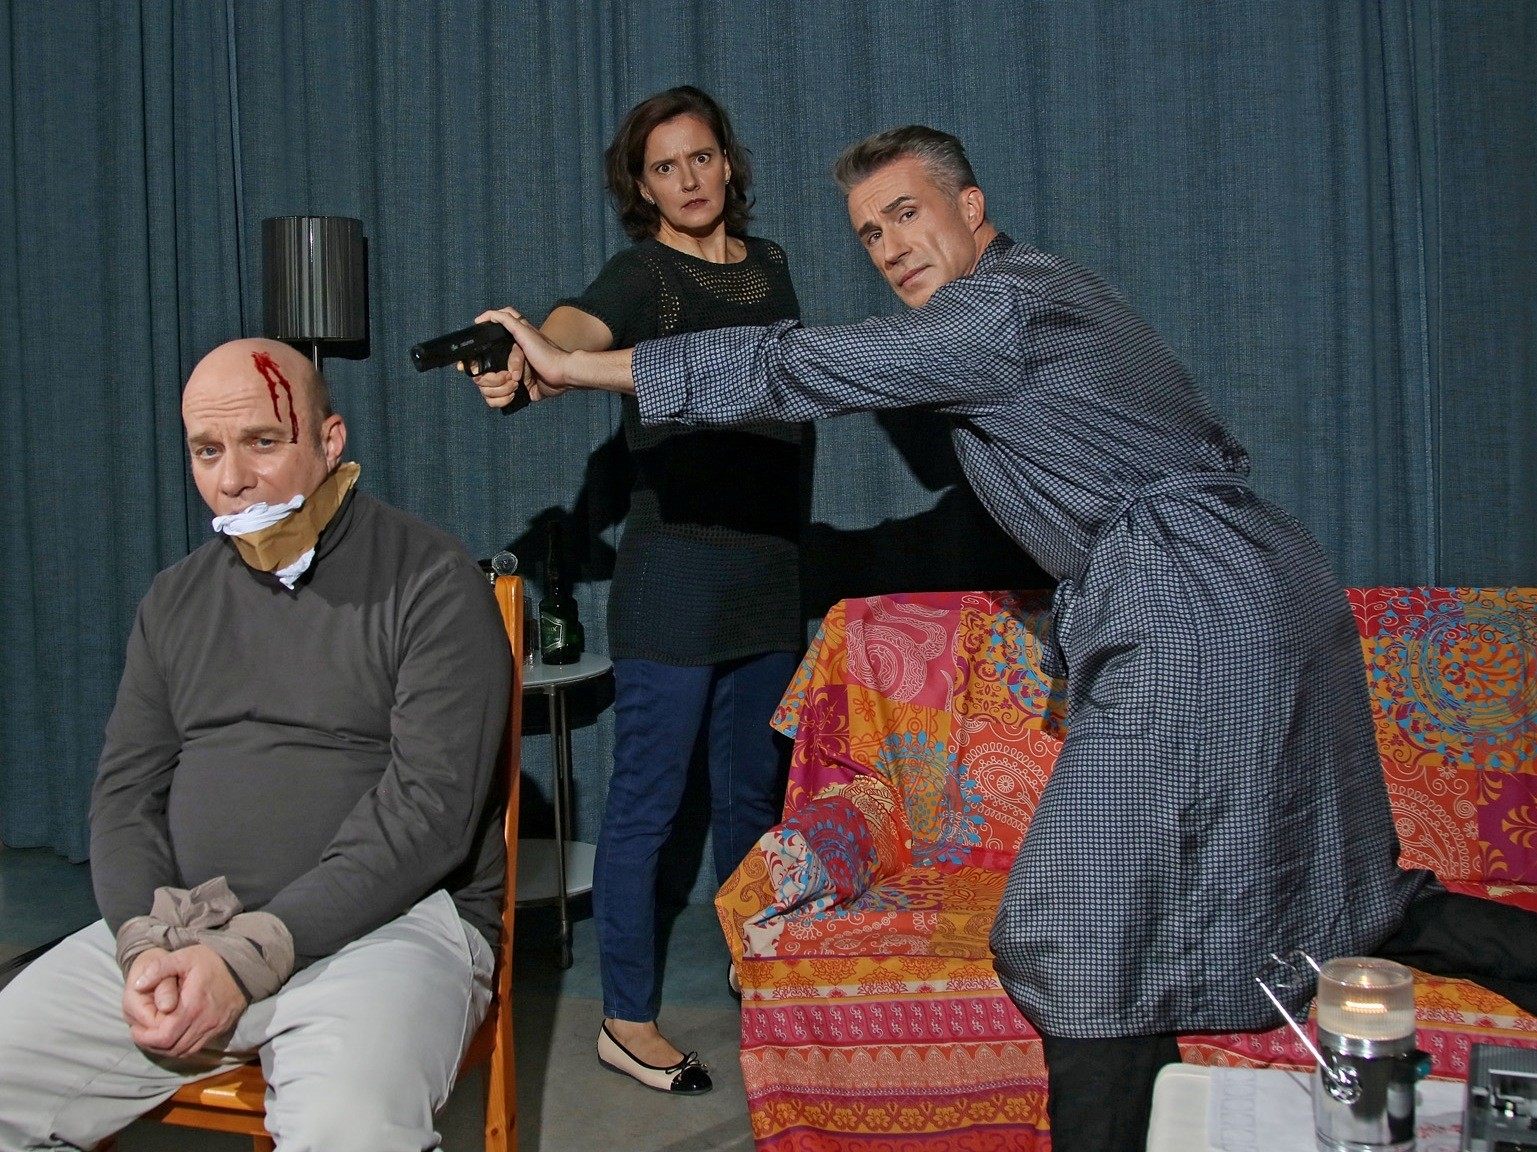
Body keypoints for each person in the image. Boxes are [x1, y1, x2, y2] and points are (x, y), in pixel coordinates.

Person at [477, 125, 1537, 1150]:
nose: (889, 247)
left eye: (906, 214)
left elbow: (793, 364)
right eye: (869, 233)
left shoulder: (996, 310)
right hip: (1260, 587)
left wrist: (577, 369)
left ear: (970, 206)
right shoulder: (1044, 290)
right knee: (1344, 895)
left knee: (1077, 927)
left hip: (1194, 606)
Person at [0, 338, 510, 1152]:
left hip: (385, 931)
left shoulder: (430, 580)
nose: (232, 478)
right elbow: (125, 797)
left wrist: (249, 956)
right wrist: (142, 944)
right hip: (186, 926)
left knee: (349, 1129)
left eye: (263, 442)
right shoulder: (176, 599)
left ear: (330, 441)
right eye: (207, 451)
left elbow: (429, 815)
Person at [472, 86, 802, 1095]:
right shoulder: (643, 274)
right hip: (675, 584)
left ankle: (758, 976)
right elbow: (575, 328)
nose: (688, 180)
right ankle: (625, 1020)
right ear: (642, 186)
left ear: (728, 162)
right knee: (649, 808)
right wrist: (529, 363)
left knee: (753, 798)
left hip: (768, 574)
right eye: (665, 167)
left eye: (701, 157)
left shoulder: (771, 265)